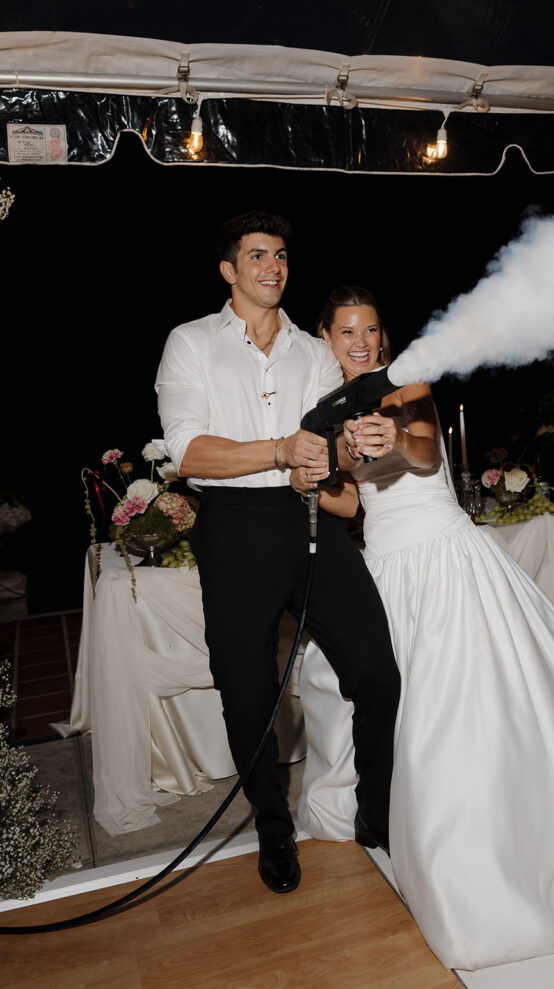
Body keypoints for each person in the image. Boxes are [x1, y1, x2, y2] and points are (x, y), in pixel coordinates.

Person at [293, 285, 554, 971]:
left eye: (371, 328)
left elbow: (426, 454)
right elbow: (348, 496)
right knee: (366, 689)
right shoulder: (318, 413)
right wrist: (312, 478)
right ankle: (390, 811)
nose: (360, 341)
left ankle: (481, 860)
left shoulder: (406, 383)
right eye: (346, 330)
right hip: (384, 569)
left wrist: (393, 437)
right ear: (324, 337)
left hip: (444, 560)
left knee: (458, 705)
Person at [155, 216, 400, 895]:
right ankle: (271, 823)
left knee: (376, 669)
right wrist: (277, 451)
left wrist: (352, 447)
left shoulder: (312, 353)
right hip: (233, 525)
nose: (273, 265)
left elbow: (334, 447)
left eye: (282, 255)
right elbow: (186, 450)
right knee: (247, 691)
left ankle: (376, 807)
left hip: (306, 516)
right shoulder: (190, 343)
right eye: (256, 255)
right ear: (229, 270)